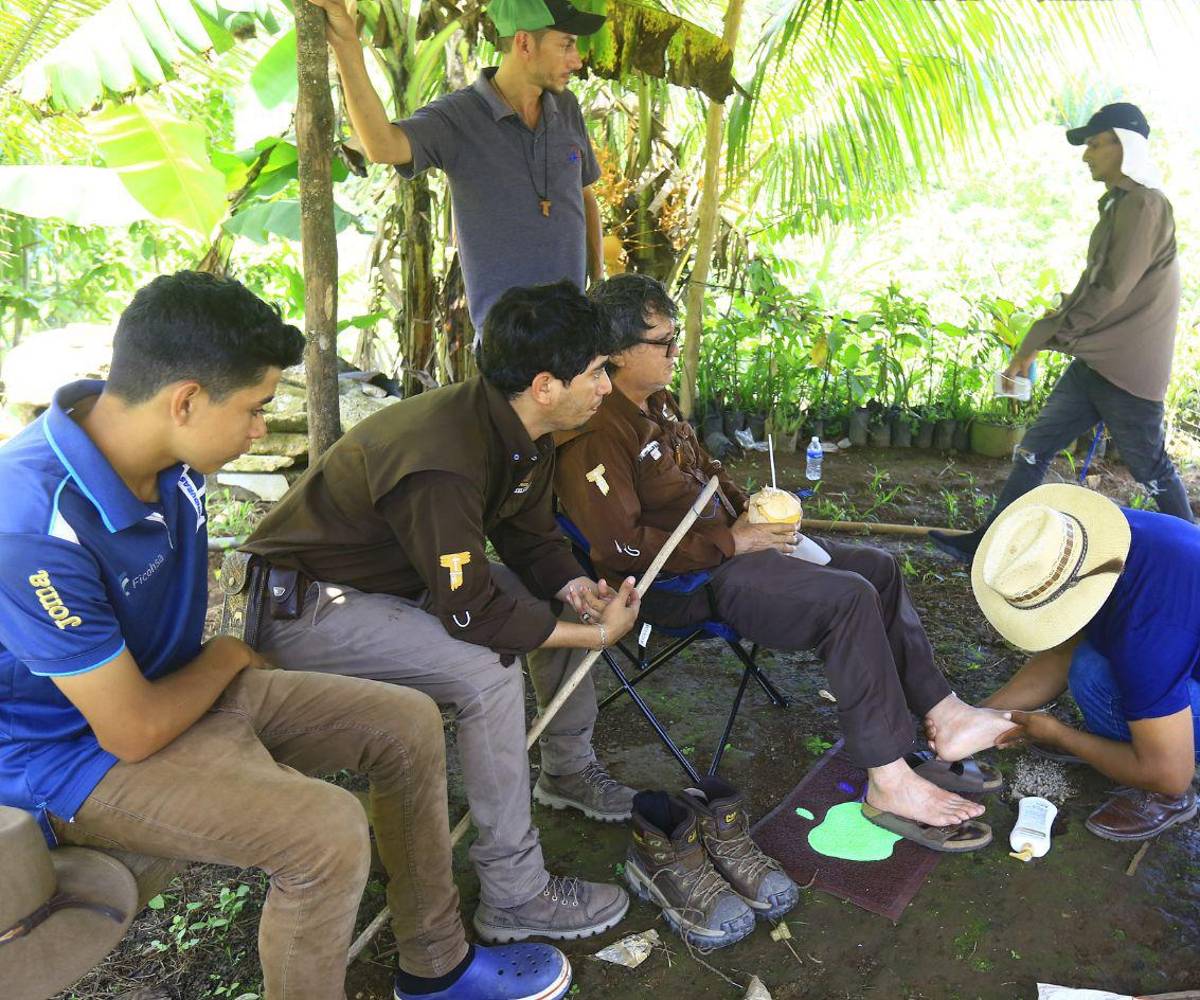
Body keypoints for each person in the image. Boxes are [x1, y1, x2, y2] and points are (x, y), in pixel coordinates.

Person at [0, 271, 574, 1000]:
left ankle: (436, 967)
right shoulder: (30, 525)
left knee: (405, 724)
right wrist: (229, 657)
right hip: (66, 760)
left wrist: (220, 672)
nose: (261, 430)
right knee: (326, 834)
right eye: (255, 408)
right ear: (184, 400)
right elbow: (133, 730)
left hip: (185, 694)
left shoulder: (167, 458)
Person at [554, 273, 1019, 854]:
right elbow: (618, 551)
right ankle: (889, 780)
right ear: (619, 352)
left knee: (876, 567)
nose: (677, 352)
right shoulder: (595, 433)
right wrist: (732, 542)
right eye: (664, 342)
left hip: (727, 550)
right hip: (682, 583)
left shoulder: (656, 402)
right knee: (846, 596)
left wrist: (755, 513)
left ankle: (943, 713)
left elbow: (706, 479)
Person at [242, 280, 641, 945]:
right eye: (598, 372)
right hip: (302, 607)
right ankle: (516, 894)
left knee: (546, 607)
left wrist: (573, 589)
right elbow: (472, 615)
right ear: (545, 384)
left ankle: (567, 772)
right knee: (487, 672)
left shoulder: (524, 427)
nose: (607, 385)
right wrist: (597, 631)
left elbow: (529, 535)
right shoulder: (443, 457)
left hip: (397, 581)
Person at [930, 102, 1193, 563]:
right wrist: (1041, 337)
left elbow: (1110, 291)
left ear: (1124, 146)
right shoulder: (1120, 204)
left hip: (1127, 370)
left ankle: (1196, 559)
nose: (1086, 155)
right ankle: (987, 543)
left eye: (1095, 144)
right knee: (1034, 448)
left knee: (1151, 470)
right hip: (1095, 363)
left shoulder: (1144, 205)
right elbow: (1093, 287)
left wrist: (1043, 337)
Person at [309, 0, 606, 344]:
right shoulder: (459, 117)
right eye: (566, 45)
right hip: (509, 347)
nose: (577, 59)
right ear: (525, 43)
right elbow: (382, 146)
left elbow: (584, 198)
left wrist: (597, 286)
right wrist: (346, 44)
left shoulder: (567, 107)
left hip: (577, 334)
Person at [953, 483, 1198, 843]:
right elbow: (1057, 654)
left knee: (1093, 673)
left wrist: (1060, 735)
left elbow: (1169, 773)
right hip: (1176, 632)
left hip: (1164, 649)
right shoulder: (1103, 541)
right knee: (1090, 656)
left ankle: (1164, 795)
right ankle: (1133, 745)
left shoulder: (1144, 635)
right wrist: (977, 715)